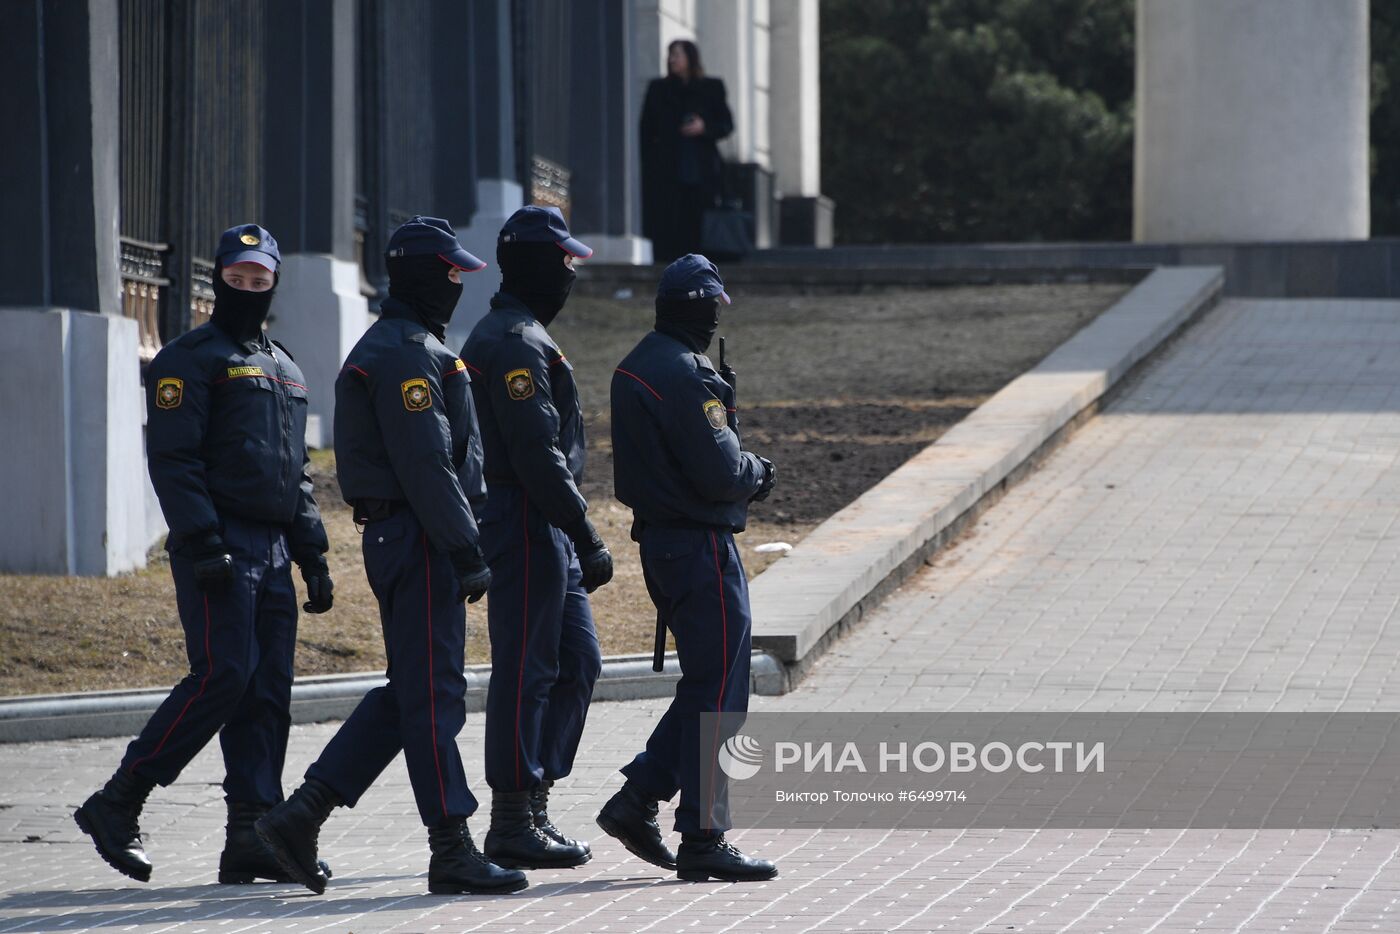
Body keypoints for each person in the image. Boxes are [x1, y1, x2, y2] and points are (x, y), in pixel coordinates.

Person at [254, 217, 526, 896]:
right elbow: (427, 464)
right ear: (426, 277)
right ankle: (451, 845)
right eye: (452, 273)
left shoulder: (416, 345)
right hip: (421, 537)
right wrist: (466, 548)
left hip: (411, 534)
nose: (460, 284)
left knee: (412, 691)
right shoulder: (407, 353)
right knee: (433, 695)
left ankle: (301, 814)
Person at [74, 224, 335, 886]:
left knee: (268, 690)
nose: (247, 288)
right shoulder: (190, 358)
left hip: (274, 548)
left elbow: (295, 472)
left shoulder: (285, 365)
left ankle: (252, 834)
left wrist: (313, 553)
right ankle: (118, 800)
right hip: (220, 543)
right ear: (216, 278)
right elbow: (175, 460)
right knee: (224, 675)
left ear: (273, 282)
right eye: (237, 277)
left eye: (259, 279)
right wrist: (203, 539)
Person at [597, 254, 778, 882]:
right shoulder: (687, 374)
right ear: (705, 306)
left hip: (664, 545)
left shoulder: (636, 365)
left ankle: (639, 798)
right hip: (701, 546)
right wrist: (761, 471)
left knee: (708, 682)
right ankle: (704, 834)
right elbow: (723, 469)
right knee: (723, 693)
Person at [460, 206, 610, 871]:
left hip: (544, 520)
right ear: (539, 265)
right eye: (565, 261)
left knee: (577, 662)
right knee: (526, 670)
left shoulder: (526, 335)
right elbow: (534, 452)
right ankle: (512, 817)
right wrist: (583, 528)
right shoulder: (514, 342)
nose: (572, 273)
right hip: (523, 519)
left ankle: (536, 799)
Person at [640, 39, 734, 263]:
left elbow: (726, 124)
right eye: (670, 55)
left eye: (678, 55)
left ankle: (701, 265)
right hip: (667, 166)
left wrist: (704, 127)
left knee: (698, 218)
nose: (673, 60)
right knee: (668, 219)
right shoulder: (659, 89)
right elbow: (646, 129)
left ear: (690, 58)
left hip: (700, 167)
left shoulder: (711, 88)